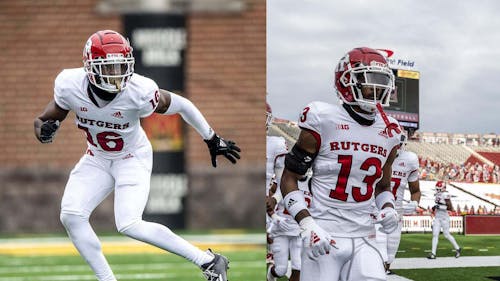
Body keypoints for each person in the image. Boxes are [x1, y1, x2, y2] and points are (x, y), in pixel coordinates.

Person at [33, 30, 241, 281]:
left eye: (121, 65)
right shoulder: (69, 84)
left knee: (129, 223)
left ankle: (208, 261)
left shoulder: (139, 90)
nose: (117, 74)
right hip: (96, 157)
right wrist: (44, 130)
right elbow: (47, 118)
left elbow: (182, 105)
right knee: (71, 215)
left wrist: (211, 137)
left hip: (132, 158)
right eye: (109, 68)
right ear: (90, 67)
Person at [280, 47, 402, 281]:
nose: (377, 88)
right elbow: (289, 178)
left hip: (366, 236)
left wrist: (388, 208)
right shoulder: (323, 118)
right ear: (347, 81)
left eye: (381, 81)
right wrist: (307, 224)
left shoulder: (390, 131)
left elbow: (383, 187)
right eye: (369, 80)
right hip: (325, 232)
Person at [375, 131, 421, 274]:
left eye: (398, 144)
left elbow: (415, 191)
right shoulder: (376, 155)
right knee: (379, 256)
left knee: (389, 257)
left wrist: (414, 203)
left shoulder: (410, 160)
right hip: (376, 213)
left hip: (396, 215)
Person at [267, 170, 312, 281]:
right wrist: (274, 217)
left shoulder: (314, 182)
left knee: (299, 268)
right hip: (281, 230)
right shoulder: (282, 179)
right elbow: (268, 199)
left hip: (299, 232)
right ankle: (271, 274)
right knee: (281, 270)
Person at [265, 103, 288, 269]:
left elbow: (283, 182)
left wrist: (275, 198)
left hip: (265, 209)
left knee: (270, 261)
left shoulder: (275, 144)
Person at [427, 181, 461, 259]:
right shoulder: (438, 194)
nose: (437, 190)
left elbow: (450, 208)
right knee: (435, 235)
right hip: (437, 217)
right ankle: (433, 253)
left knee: (446, 235)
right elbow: (439, 204)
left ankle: (457, 248)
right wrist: (435, 207)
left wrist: (439, 207)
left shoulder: (446, 195)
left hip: (444, 218)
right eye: (437, 189)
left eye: (439, 189)